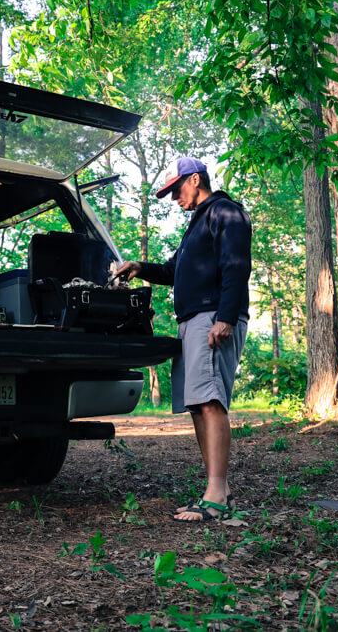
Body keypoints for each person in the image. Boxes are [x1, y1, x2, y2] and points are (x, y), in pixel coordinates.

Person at [117, 157, 251, 523]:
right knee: (197, 405)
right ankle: (217, 491)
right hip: (193, 321)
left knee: (210, 402)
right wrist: (139, 268)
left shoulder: (225, 212)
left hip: (213, 318)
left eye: (177, 189)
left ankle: (217, 496)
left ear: (196, 179)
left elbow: (237, 267)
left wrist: (224, 318)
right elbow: (174, 271)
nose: (175, 198)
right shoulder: (196, 225)